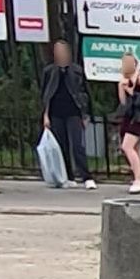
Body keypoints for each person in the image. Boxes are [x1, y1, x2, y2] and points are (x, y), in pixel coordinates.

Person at [40, 40, 95, 190]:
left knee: (77, 145)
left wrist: (86, 114)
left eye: (62, 50)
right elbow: (45, 95)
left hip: (74, 112)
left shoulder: (76, 70)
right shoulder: (49, 71)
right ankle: (68, 176)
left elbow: (84, 93)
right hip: (56, 113)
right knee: (61, 145)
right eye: (57, 50)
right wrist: (45, 115)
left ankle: (86, 177)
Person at [116, 52, 140, 194]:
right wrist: (121, 88)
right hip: (131, 117)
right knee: (136, 149)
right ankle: (139, 178)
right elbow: (123, 103)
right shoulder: (124, 80)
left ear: (135, 64)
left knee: (127, 146)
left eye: (129, 62)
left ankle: (139, 179)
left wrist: (131, 91)